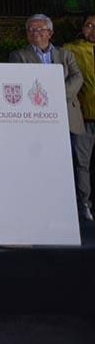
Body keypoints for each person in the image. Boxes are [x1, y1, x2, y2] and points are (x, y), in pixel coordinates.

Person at [11, 13, 86, 220]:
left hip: (67, 115)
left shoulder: (65, 55)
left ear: (50, 33)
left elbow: (76, 77)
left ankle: (80, 206)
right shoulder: (19, 56)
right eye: (31, 30)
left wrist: (56, 95)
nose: (35, 33)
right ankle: (45, 206)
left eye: (40, 29)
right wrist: (44, 99)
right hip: (37, 120)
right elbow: (21, 80)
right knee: (42, 164)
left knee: (75, 163)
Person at [64, 13, 95, 222]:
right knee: (81, 164)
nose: (92, 29)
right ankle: (84, 205)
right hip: (84, 117)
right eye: (89, 25)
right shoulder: (70, 50)